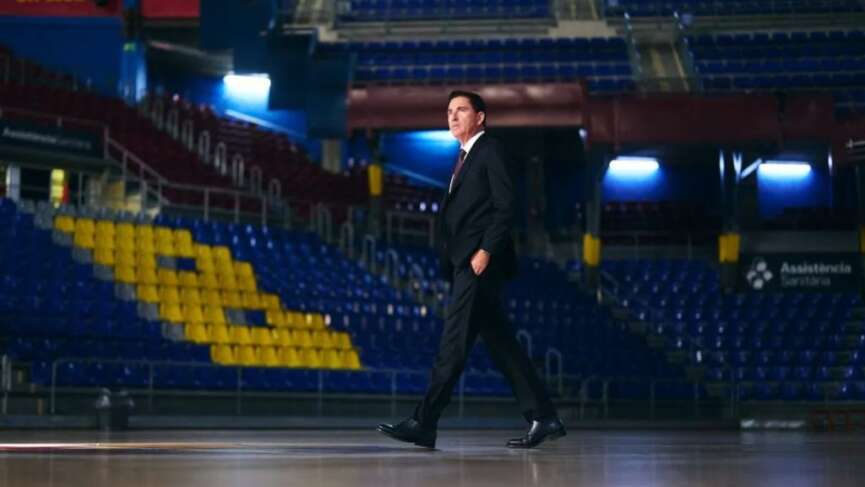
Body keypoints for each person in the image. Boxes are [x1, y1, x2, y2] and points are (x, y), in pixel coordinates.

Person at [377, 90, 566, 449]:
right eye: (449, 110)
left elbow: (506, 205)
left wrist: (485, 251)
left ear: (480, 117)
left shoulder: (489, 149)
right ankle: (544, 416)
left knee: (453, 344)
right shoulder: (464, 156)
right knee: (502, 344)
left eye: (461, 110)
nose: (453, 116)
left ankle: (424, 422)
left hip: (478, 263)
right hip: (466, 262)